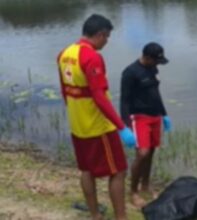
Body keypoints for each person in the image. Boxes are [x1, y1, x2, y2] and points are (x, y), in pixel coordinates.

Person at [57, 14, 136, 220]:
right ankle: (121, 217)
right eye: (107, 37)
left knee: (87, 170)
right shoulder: (91, 57)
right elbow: (99, 98)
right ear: (100, 34)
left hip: (78, 126)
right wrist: (121, 127)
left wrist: (77, 114)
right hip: (98, 127)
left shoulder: (65, 54)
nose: (107, 42)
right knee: (118, 171)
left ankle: (95, 215)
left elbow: (65, 91)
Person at [120, 42, 171, 208]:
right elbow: (124, 101)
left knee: (151, 152)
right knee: (142, 153)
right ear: (147, 57)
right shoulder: (130, 72)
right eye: (156, 61)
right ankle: (133, 192)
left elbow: (156, 93)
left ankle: (146, 185)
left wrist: (164, 114)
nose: (158, 64)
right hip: (139, 116)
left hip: (155, 115)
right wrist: (125, 126)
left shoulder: (152, 69)